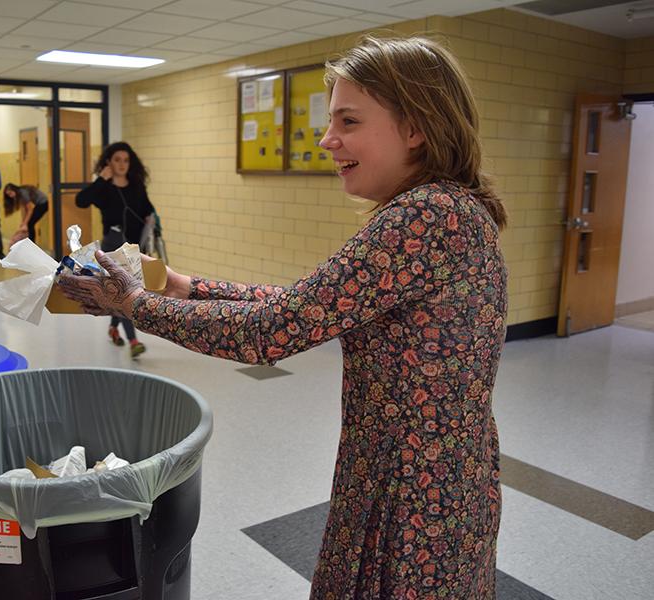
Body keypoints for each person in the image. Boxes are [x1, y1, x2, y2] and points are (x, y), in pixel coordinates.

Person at [60, 35, 508, 598]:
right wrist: (184, 286)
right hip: (435, 476)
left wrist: (134, 304)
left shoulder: (425, 215)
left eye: (348, 121)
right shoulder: (453, 209)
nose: (327, 140)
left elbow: (272, 332)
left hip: (411, 489)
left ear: (416, 126)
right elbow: (304, 304)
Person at [75, 141, 155, 358]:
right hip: (113, 244)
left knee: (119, 291)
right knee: (127, 291)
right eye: (117, 160)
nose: (122, 164)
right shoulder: (105, 187)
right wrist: (102, 178)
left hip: (134, 245)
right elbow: (81, 200)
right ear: (108, 162)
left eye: (126, 160)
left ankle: (113, 327)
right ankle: (133, 340)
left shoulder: (136, 184)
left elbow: (147, 207)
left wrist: (150, 219)